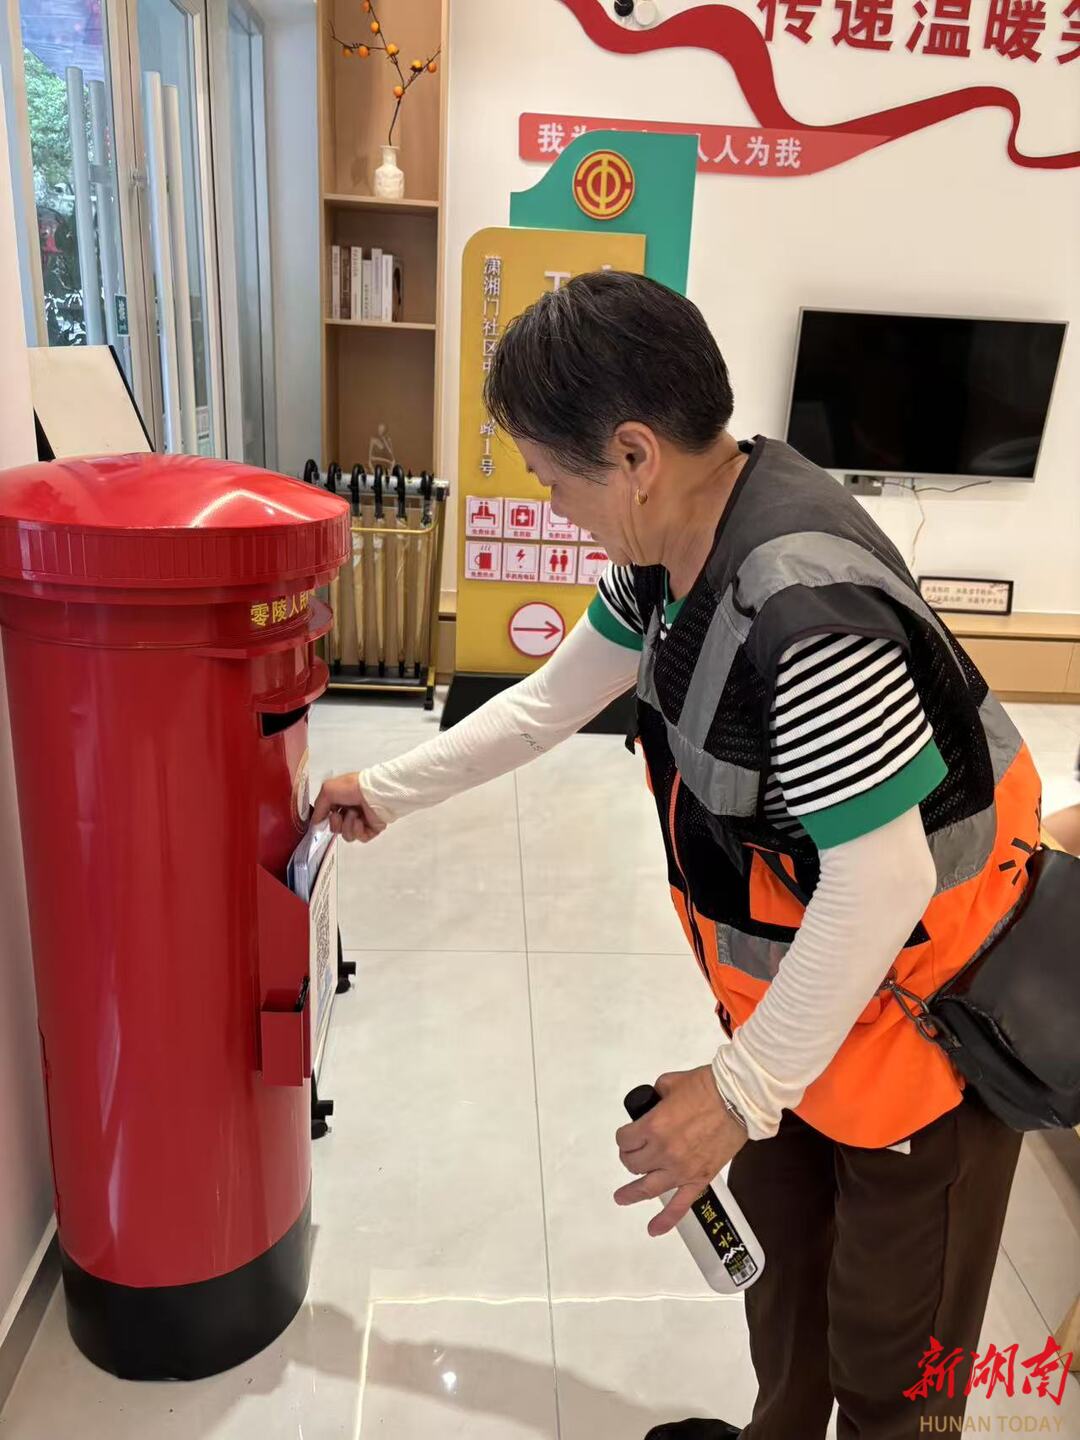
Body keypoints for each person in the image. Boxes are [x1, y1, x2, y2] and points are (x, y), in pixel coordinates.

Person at [313, 273, 1042, 1440]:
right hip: (815, 1016)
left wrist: (738, 1093)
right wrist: (391, 791)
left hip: (923, 1034)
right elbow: (552, 703)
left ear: (634, 454)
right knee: (783, 1297)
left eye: (553, 479)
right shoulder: (674, 543)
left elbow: (885, 880)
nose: (553, 506)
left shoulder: (806, 616)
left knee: (891, 1367)